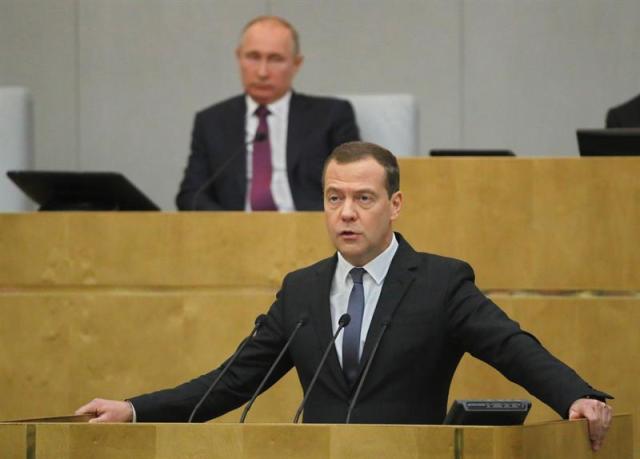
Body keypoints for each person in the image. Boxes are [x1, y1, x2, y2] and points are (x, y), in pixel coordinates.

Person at [78, 141, 612, 452]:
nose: (347, 212)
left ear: (395, 204)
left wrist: (575, 396)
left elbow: (511, 346)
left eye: (363, 198)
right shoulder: (302, 290)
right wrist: (133, 409)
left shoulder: (439, 283)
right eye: (335, 198)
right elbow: (231, 381)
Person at [176, 16, 360, 211]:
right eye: (253, 57)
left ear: (296, 63)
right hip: (235, 235)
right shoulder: (211, 122)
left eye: (275, 59)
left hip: (308, 231)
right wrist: (229, 226)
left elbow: (355, 185)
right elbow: (191, 195)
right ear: (239, 57)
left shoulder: (331, 116)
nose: (262, 72)